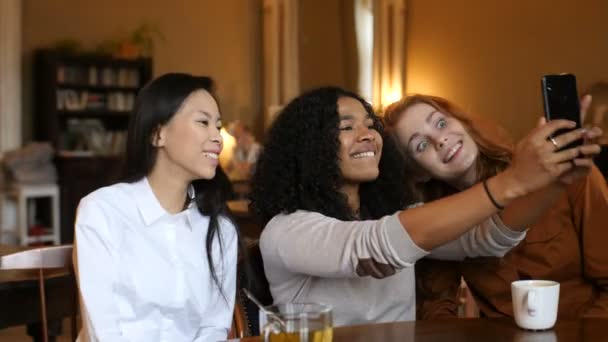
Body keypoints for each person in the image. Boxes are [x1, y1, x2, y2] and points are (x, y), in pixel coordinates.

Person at [249, 86, 600, 327]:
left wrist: (555, 181)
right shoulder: (285, 230)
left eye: (370, 126)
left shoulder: (401, 214)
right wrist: (513, 181)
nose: (368, 134)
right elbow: (376, 242)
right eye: (346, 127)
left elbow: (488, 238)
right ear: (310, 146)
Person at [383, 94, 607, 319]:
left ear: (462, 122)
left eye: (441, 123)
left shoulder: (569, 174)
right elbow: (437, 308)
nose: (439, 140)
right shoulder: (435, 222)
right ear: (418, 173)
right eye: (421, 145)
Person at [73, 73, 238, 341]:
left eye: (217, 126)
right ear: (158, 134)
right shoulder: (102, 211)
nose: (217, 137)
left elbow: (214, 327)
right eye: (203, 122)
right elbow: (102, 331)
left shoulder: (220, 229)